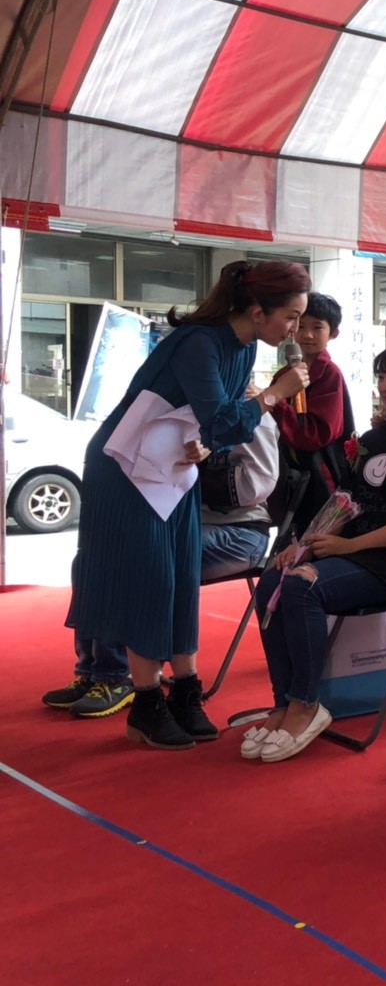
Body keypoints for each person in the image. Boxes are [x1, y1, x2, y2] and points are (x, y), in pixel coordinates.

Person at [52, 259, 310, 748]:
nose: (295, 330)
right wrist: (276, 394)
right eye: (292, 317)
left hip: (170, 468)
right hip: (126, 469)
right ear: (258, 311)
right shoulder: (199, 342)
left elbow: (216, 426)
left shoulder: (243, 348)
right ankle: (146, 701)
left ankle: (186, 691)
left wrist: (206, 446)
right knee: (150, 578)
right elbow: (224, 418)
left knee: (179, 573)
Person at [245, 342, 386, 764]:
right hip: (354, 553)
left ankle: (306, 704)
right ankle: (284, 703)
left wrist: (347, 546)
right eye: (381, 376)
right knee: (273, 580)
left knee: (303, 589)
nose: (385, 385)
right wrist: (304, 546)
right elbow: (346, 502)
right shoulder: (373, 439)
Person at [269, 291, 351, 535]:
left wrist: (275, 400)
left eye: (317, 327)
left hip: (320, 476)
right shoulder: (284, 375)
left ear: (333, 333)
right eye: (301, 325)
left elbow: (315, 435)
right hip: (289, 474)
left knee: (315, 540)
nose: (307, 334)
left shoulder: (330, 375)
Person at [199, 414, 281, 581]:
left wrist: (190, 477)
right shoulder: (194, 409)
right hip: (201, 522)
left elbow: (256, 485)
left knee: (158, 544)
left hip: (241, 531)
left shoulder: (255, 417)